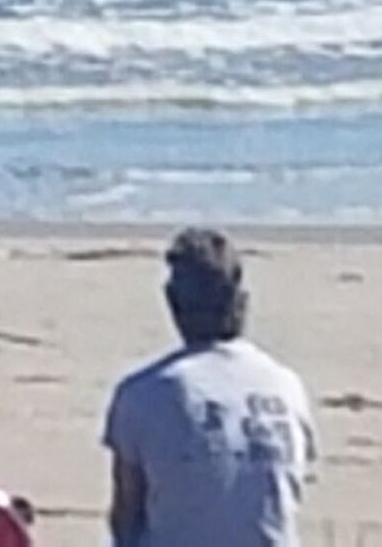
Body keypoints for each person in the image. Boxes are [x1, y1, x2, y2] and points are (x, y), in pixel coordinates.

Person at [102, 227, 316, 547]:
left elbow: (126, 516)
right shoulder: (285, 386)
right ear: (241, 300)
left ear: (173, 304)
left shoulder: (143, 393)